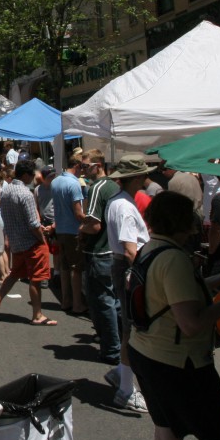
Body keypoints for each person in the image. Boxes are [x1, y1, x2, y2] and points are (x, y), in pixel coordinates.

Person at [128, 190, 220, 440]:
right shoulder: (174, 259)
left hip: (147, 354)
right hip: (180, 364)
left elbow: (169, 295)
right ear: (183, 221)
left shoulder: (151, 249)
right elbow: (192, 323)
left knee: (166, 437)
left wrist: (218, 279)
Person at [105, 154, 154, 412]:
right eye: (144, 174)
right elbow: (129, 249)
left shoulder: (118, 201)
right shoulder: (124, 206)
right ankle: (125, 389)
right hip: (129, 268)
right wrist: (144, 274)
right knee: (131, 328)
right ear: (135, 177)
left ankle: (121, 375)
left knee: (131, 325)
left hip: (123, 265)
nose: (147, 177)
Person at [0, 160, 55, 326]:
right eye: (31, 175)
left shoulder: (6, 192)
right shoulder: (25, 193)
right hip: (31, 242)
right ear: (25, 175)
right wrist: (41, 237)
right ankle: (37, 315)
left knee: (14, 274)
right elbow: (33, 223)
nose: (32, 178)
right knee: (36, 279)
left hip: (16, 241)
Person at [80, 149, 123, 366]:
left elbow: (94, 225)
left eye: (86, 166)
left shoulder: (97, 188)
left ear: (97, 166)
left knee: (103, 303)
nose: (83, 169)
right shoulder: (115, 187)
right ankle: (120, 346)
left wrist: (81, 227)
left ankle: (112, 350)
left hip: (99, 252)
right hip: (115, 251)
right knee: (114, 301)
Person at [52, 155, 87, 314]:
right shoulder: (73, 184)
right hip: (73, 230)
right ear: (78, 166)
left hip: (61, 229)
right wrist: (89, 220)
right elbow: (78, 212)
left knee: (65, 266)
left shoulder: (56, 181)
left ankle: (66, 300)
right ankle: (77, 303)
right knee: (76, 268)